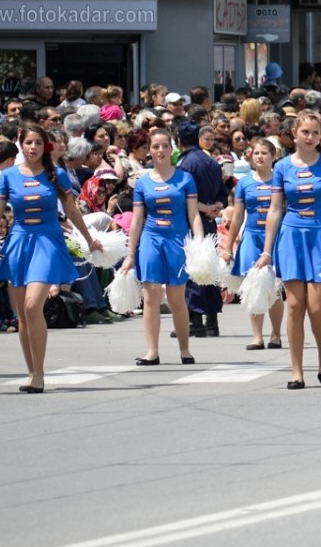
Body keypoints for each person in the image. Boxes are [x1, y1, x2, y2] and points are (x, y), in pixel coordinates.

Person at [0, 124, 101, 393]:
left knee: (32, 306)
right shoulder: (8, 176)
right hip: (19, 243)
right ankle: (31, 372)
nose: (33, 147)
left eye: (38, 142)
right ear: (21, 144)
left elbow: (72, 210)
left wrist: (89, 239)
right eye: (29, 142)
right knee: (23, 315)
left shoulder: (57, 174)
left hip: (48, 241)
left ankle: (39, 373)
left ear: (45, 146)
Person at [255, 111, 321, 389]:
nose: (310, 137)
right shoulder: (282, 167)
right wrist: (267, 251)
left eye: (315, 132)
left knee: (317, 307)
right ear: (294, 133)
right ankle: (296, 370)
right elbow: (275, 210)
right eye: (305, 132)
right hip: (291, 238)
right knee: (295, 306)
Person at [119, 128, 202, 367]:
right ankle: (152, 352)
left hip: (177, 239)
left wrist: (199, 243)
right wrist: (130, 254)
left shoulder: (185, 178)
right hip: (151, 239)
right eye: (155, 146)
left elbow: (193, 214)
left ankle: (185, 349)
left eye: (165, 145)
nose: (161, 150)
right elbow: (136, 221)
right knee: (151, 295)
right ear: (149, 150)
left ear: (171, 148)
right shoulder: (142, 182)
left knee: (176, 297)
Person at [222, 137, 285, 351]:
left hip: (275, 238)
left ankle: (276, 335)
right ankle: (257, 336)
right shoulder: (244, 183)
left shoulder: (280, 180)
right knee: (253, 285)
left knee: (274, 287)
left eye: (264, 153)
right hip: (251, 236)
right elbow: (238, 216)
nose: (259, 157)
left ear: (273, 156)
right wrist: (228, 246)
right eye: (256, 153)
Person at [176, 121, 225, 338]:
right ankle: (212, 320)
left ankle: (195, 319)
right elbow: (223, 192)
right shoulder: (211, 161)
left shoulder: (185, 164)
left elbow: (182, 196)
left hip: (192, 220)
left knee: (193, 267)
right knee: (209, 267)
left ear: (179, 141)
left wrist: (204, 208)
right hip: (210, 219)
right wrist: (215, 207)